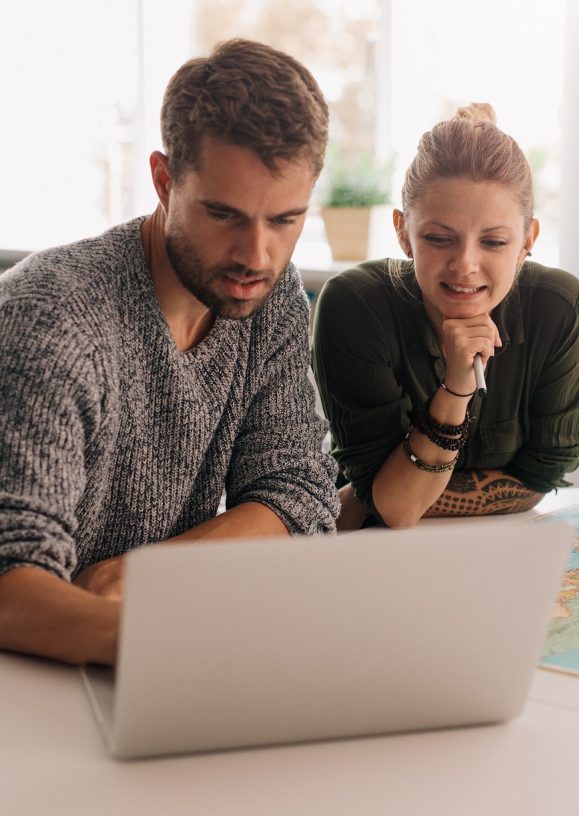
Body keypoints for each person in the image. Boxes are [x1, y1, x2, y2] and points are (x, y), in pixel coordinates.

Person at [0, 39, 340, 666]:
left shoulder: (272, 297)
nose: (257, 256)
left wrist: (149, 575)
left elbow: (297, 493)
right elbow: (8, 579)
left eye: (285, 220)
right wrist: (163, 641)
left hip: (139, 656)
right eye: (225, 215)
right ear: (163, 180)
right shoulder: (56, 317)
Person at [313, 103, 579, 531]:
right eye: (439, 238)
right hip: (370, 554)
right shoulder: (354, 305)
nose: (465, 264)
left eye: (494, 242)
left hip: (498, 551)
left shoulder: (560, 307)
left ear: (528, 240)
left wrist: (384, 495)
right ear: (403, 232)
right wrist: (456, 389)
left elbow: (545, 474)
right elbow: (396, 510)